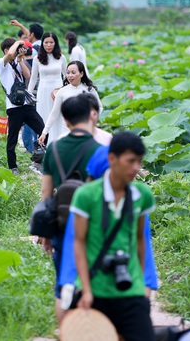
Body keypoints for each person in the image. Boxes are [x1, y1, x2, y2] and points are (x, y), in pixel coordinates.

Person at [72, 131, 156, 341]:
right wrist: (86, 289)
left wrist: (141, 280)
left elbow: (139, 238)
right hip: (96, 288)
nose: (136, 168)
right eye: (130, 161)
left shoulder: (142, 195)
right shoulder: (86, 195)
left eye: (139, 161)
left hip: (130, 288)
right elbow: (79, 242)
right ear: (112, 159)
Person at [39, 94, 100, 322]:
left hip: (63, 225)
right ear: (91, 116)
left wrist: (46, 233)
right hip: (95, 227)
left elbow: (47, 194)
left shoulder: (53, 149)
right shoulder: (101, 151)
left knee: (63, 286)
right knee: (95, 285)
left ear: (65, 121)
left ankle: (66, 332)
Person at [0, 37, 44, 175]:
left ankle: (38, 160)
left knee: (42, 129)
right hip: (13, 107)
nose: (18, 50)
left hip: (26, 104)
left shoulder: (17, 61)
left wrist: (21, 59)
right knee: (12, 139)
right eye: (16, 48)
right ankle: (13, 167)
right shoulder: (1, 63)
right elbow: (10, 54)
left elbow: (28, 75)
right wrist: (18, 42)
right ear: (6, 50)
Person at [38, 61, 102, 145]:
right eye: (68, 73)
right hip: (67, 130)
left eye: (73, 72)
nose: (70, 75)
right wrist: (44, 132)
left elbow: (99, 107)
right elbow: (54, 113)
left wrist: (92, 120)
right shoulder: (62, 91)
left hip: (86, 129)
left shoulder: (89, 90)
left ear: (81, 74)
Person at [28, 32, 68, 143]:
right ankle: (44, 147)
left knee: (58, 118)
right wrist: (28, 96)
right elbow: (33, 79)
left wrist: (68, 90)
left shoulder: (61, 58)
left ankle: (59, 144)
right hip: (43, 92)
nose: (49, 45)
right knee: (43, 118)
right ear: (42, 43)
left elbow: (67, 76)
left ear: (55, 43)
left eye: (51, 42)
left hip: (58, 92)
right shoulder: (37, 59)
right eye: (46, 42)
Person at [11, 20, 43, 154]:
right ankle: (38, 145)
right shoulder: (43, 46)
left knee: (28, 122)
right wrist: (19, 25)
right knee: (38, 118)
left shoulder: (33, 51)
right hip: (42, 89)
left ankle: (31, 148)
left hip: (30, 91)